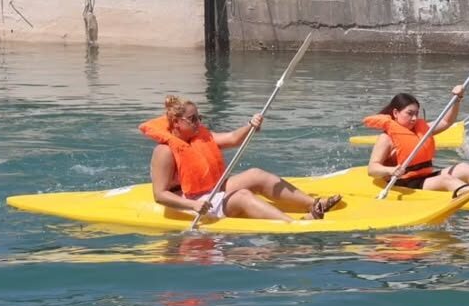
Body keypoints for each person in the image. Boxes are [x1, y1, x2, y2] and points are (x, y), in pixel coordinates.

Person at [140, 95, 341, 222]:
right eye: (192, 119)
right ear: (176, 122)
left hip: (210, 188)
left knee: (256, 175)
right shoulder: (164, 151)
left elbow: (234, 138)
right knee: (242, 196)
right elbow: (160, 195)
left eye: (199, 118)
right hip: (190, 200)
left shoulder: (200, 136)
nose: (198, 123)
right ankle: (294, 224)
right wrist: (193, 206)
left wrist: (251, 124)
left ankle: (313, 204)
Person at [364, 86, 469, 194]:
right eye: (410, 113)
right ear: (395, 113)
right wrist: (392, 170)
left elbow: (447, 121)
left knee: (463, 168)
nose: (415, 118)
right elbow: (372, 169)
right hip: (405, 183)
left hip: (425, 177)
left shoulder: (422, 130)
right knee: (447, 180)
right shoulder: (386, 138)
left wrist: (457, 100)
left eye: (417, 113)